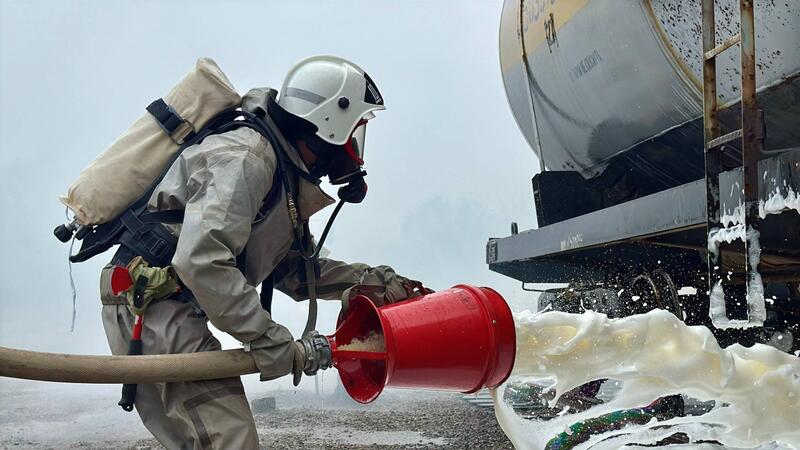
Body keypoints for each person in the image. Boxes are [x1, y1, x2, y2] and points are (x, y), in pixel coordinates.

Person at [99, 56, 427, 449]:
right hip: (153, 304)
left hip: (157, 306)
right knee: (231, 440)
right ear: (330, 120)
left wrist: (374, 284)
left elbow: (294, 272)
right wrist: (271, 341)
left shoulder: (278, 171)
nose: (355, 148)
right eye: (356, 130)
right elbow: (201, 261)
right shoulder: (249, 158)